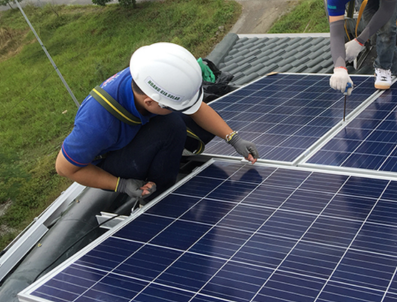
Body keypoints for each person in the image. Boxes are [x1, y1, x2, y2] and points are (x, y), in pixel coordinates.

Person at [55, 42, 259, 200]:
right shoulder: (97, 124)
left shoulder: (151, 77)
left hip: (134, 134)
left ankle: (165, 157)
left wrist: (233, 139)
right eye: (172, 106)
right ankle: (161, 194)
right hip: (110, 162)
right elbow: (64, 168)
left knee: (197, 126)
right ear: (150, 102)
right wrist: (120, 184)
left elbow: (196, 108)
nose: (180, 109)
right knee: (170, 126)